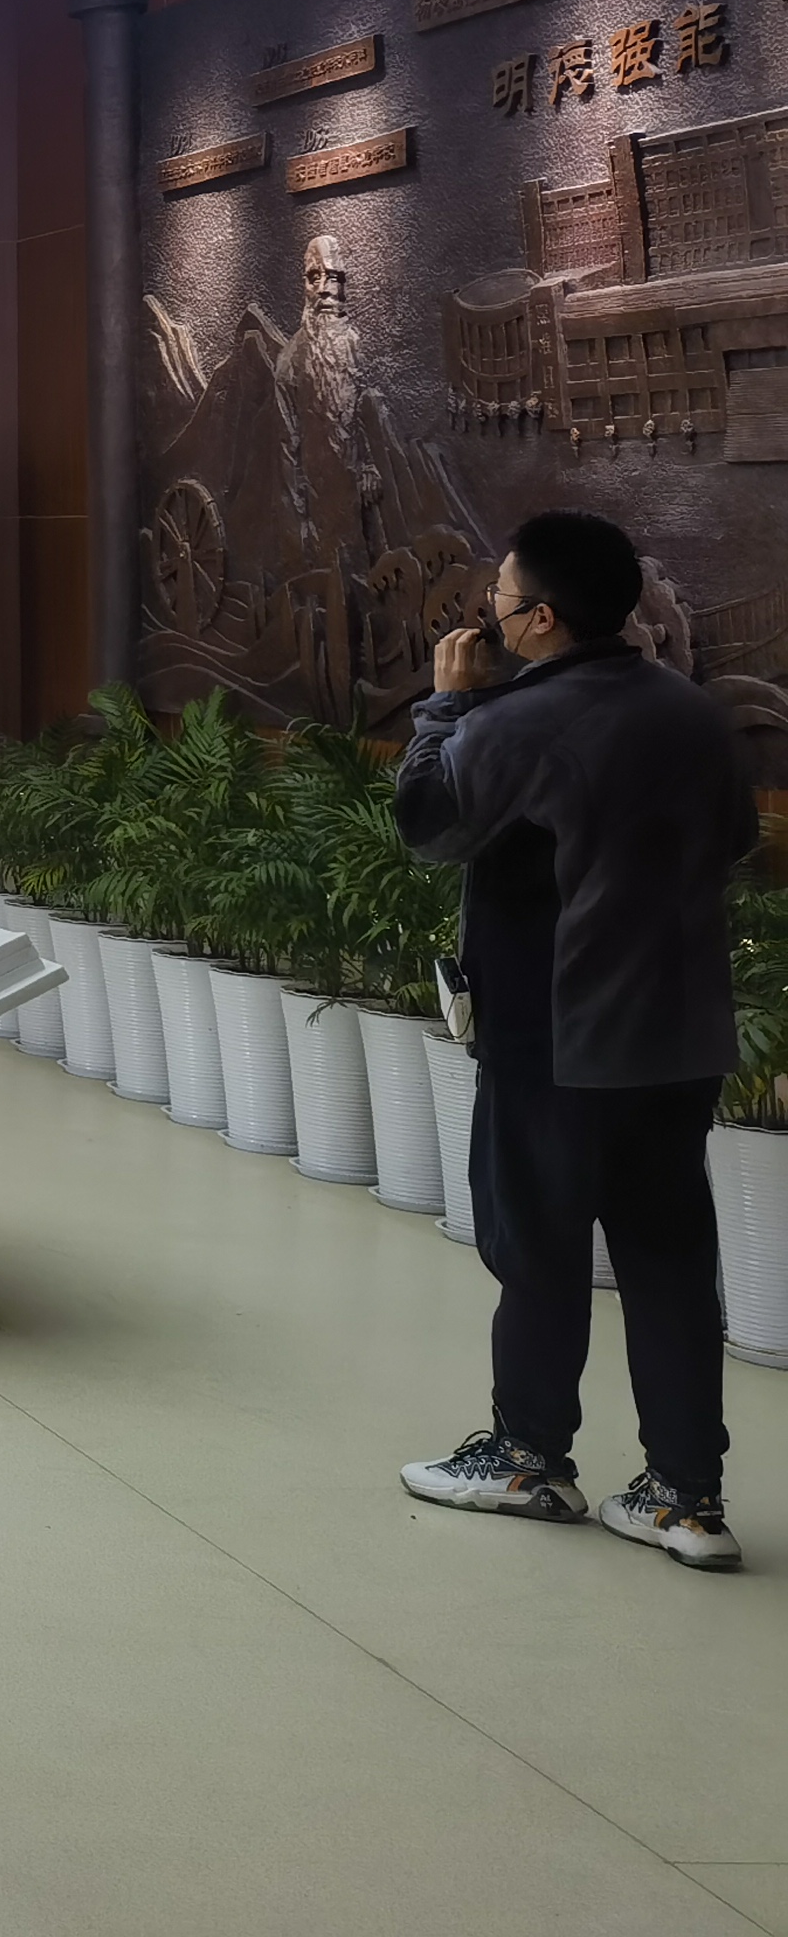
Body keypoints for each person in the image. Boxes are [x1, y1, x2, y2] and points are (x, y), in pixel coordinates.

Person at [396, 506, 757, 1570]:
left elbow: (427, 827)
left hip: (557, 1035)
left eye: (500, 599)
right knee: (669, 1260)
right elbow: (736, 837)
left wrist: (446, 706)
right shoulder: (692, 712)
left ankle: (527, 1459)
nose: (488, 612)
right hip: (677, 1034)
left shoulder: (516, 720)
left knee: (539, 1250)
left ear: (542, 619)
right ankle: (687, 1499)